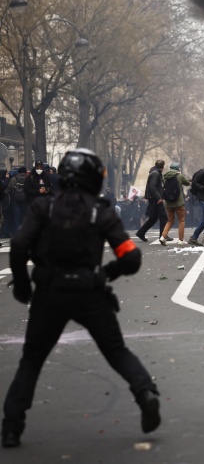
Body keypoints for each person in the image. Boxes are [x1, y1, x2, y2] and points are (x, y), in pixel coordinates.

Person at [1, 148, 160, 448]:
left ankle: (12, 426)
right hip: (90, 291)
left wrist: (23, 285)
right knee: (116, 351)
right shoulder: (100, 211)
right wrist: (106, 274)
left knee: (32, 360)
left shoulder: (43, 208)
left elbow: (20, 246)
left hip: (50, 292)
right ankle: (145, 392)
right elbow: (131, 256)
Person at [135, 160, 167, 242]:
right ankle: (162, 236)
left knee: (153, 218)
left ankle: (141, 233)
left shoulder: (154, 172)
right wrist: (159, 197)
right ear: (162, 166)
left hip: (154, 198)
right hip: (156, 199)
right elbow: (152, 187)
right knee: (163, 217)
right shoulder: (156, 174)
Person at [159, 162, 191, 245]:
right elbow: (187, 183)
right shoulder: (179, 176)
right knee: (181, 220)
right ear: (177, 169)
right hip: (178, 202)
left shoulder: (164, 176)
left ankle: (163, 236)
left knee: (170, 220)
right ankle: (181, 240)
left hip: (168, 203)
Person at [8, 167, 27, 235]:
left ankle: (17, 234)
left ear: (18, 172)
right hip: (26, 201)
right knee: (25, 218)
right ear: (25, 172)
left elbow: (8, 189)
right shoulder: (29, 178)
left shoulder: (13, 179)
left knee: (17, 218)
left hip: (16, 201)